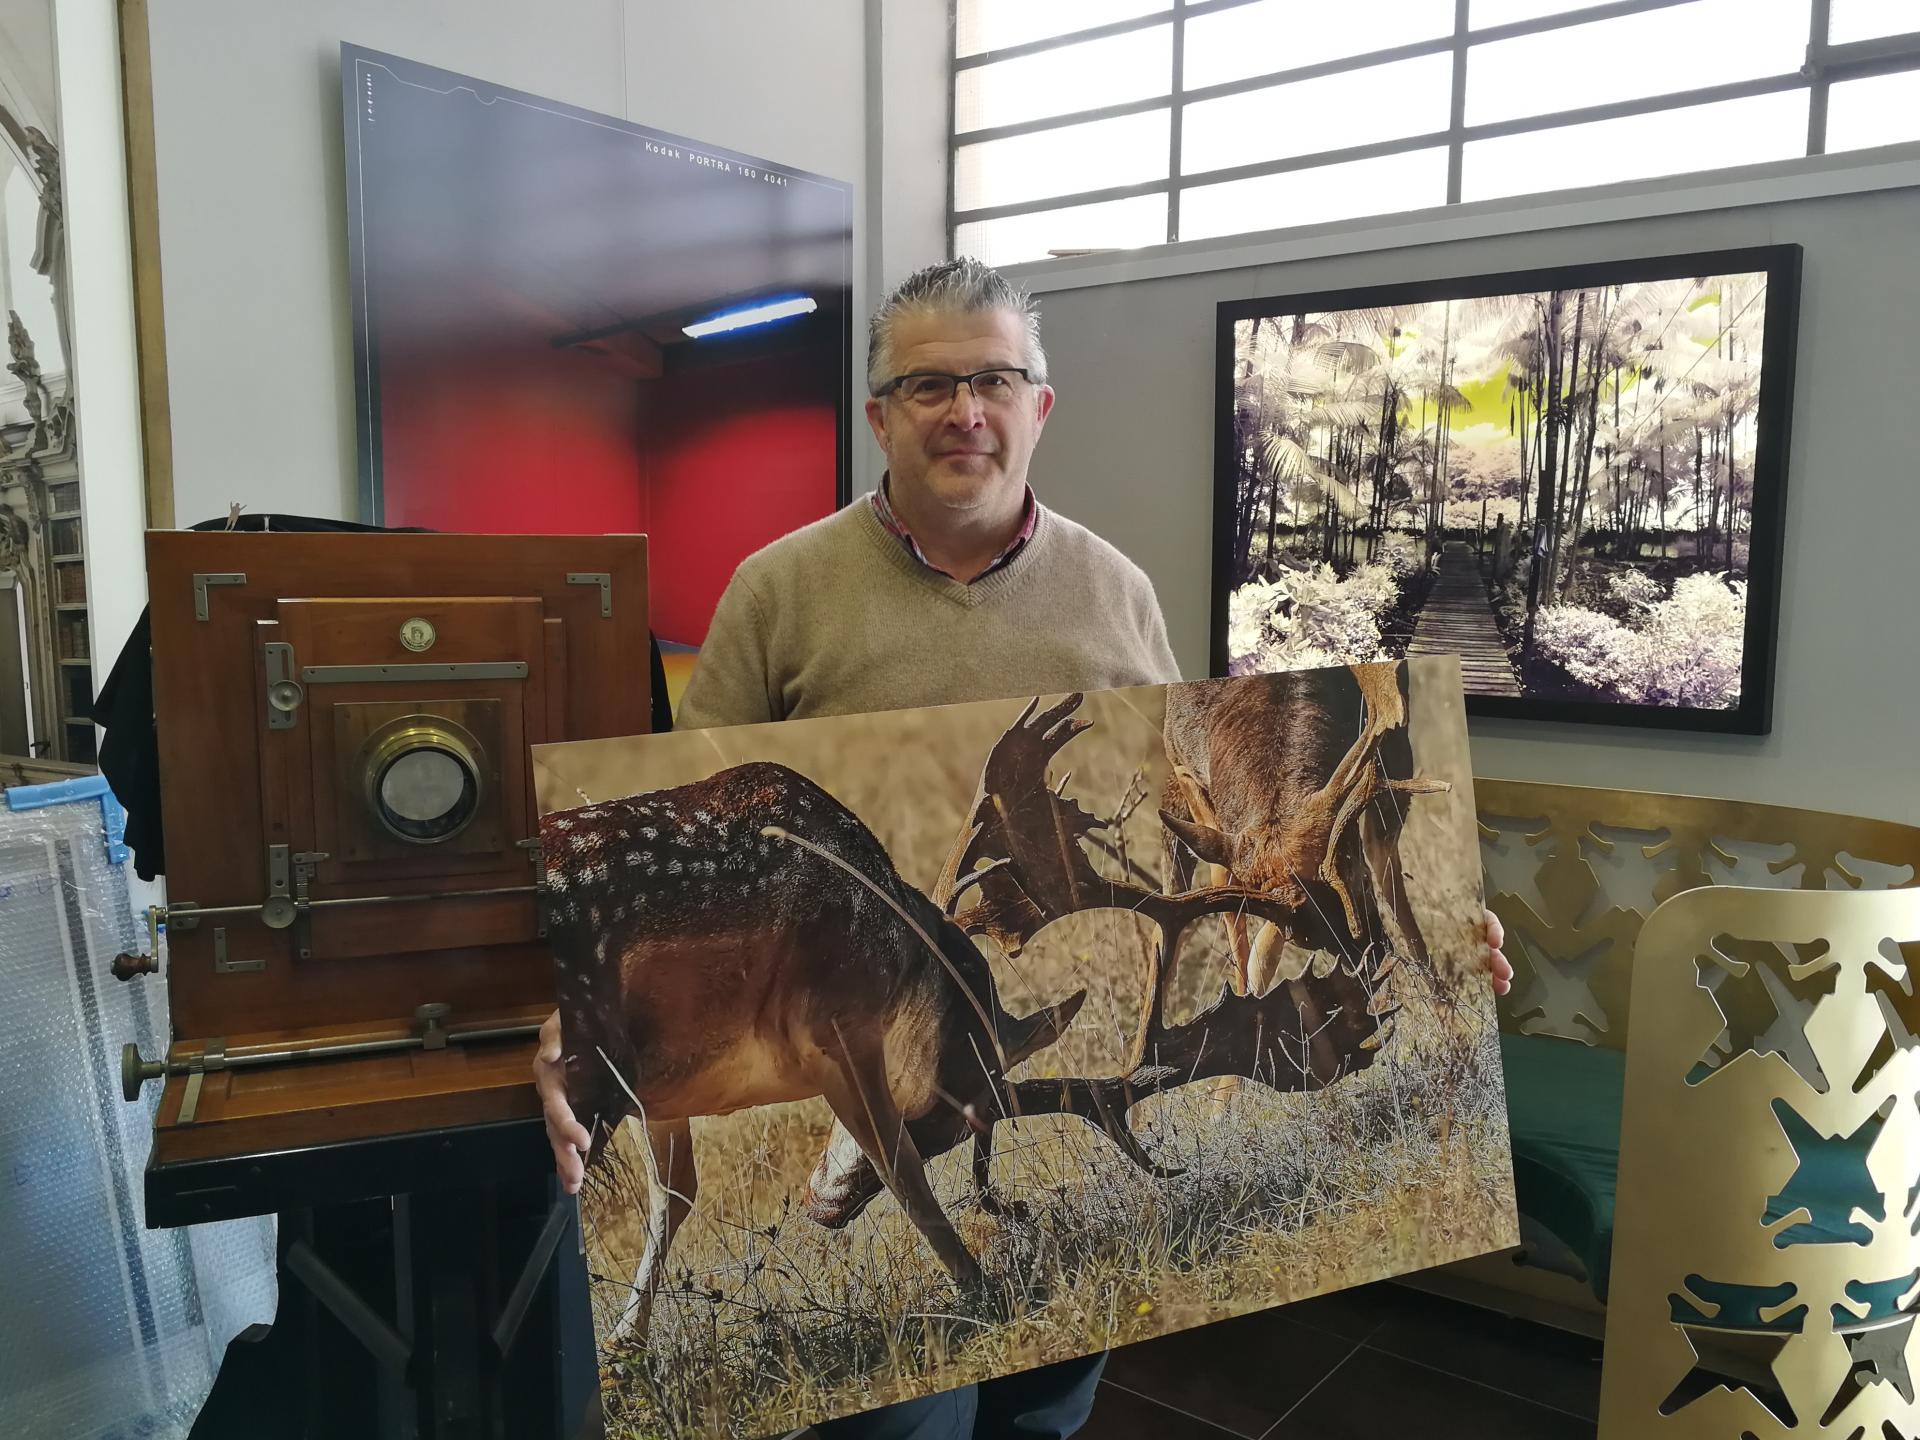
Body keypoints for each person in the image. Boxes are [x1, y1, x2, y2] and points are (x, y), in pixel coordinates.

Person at [534, 257, 1513, 1439]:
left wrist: (1448, 935)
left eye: (995, 380)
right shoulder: (778, 594)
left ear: (1038, 406)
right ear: (880, 414)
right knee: (899, 1423)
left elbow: (1175, 822)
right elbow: (689, 809)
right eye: (930, 385)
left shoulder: (1115, 594)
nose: (966, 412)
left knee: (1046, 1402)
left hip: (1052, 1014)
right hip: (872, 1011)